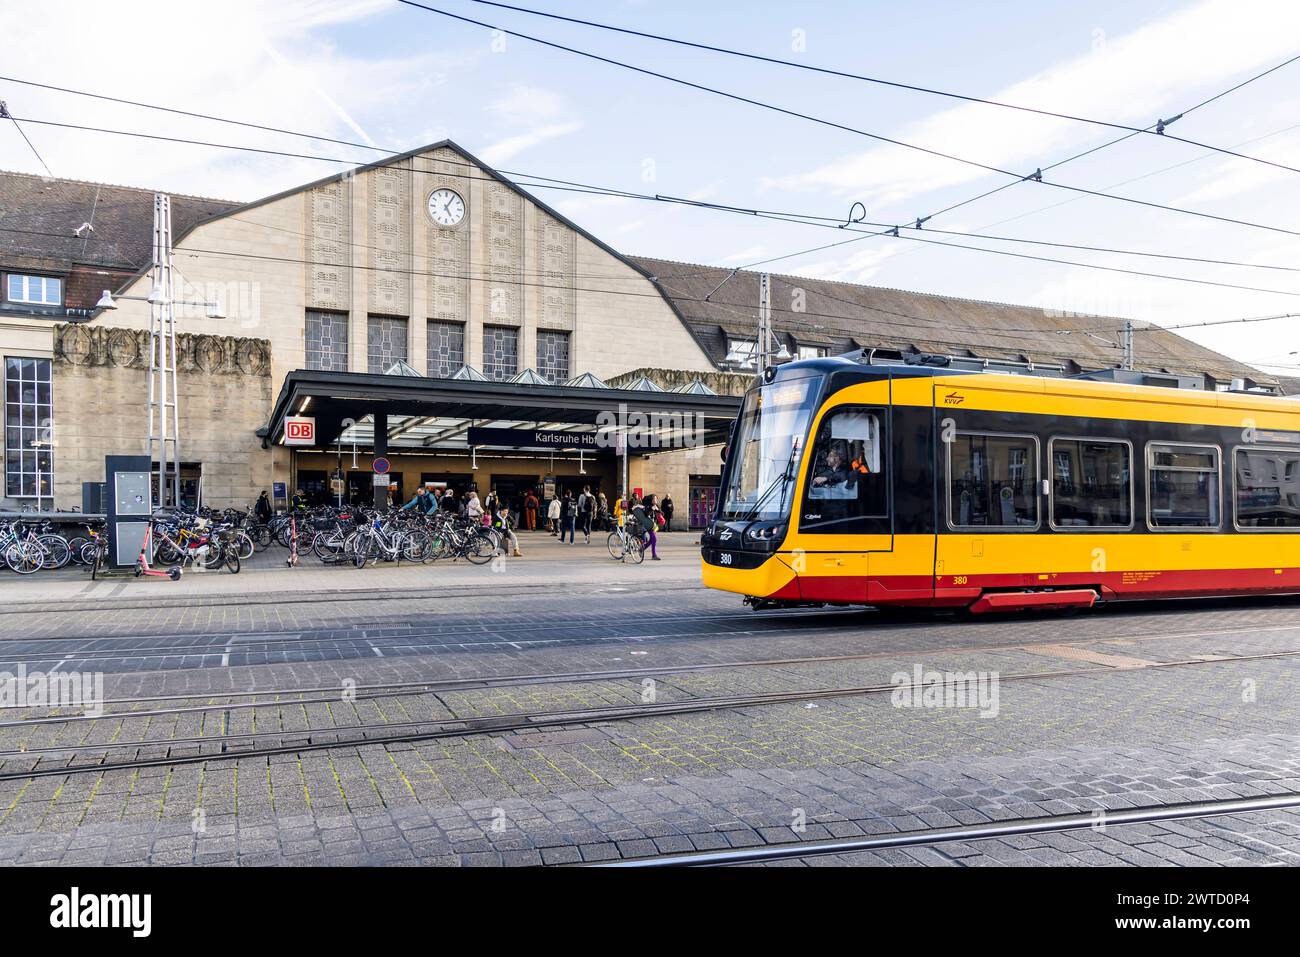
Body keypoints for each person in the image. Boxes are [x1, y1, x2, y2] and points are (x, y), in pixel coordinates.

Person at [633, 494, 662, 561]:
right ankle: (654, 555)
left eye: (656, 499)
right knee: (654, 539)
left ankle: (641, 548)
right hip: (648, 525)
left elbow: (662, 514)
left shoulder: (656, 505)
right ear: (651, 500)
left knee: (652, 540)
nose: (656, 500)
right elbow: (646, 514)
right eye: (654, 499)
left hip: (653, 525)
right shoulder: (647, 506)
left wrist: (658, 510)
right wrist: (652, 509)